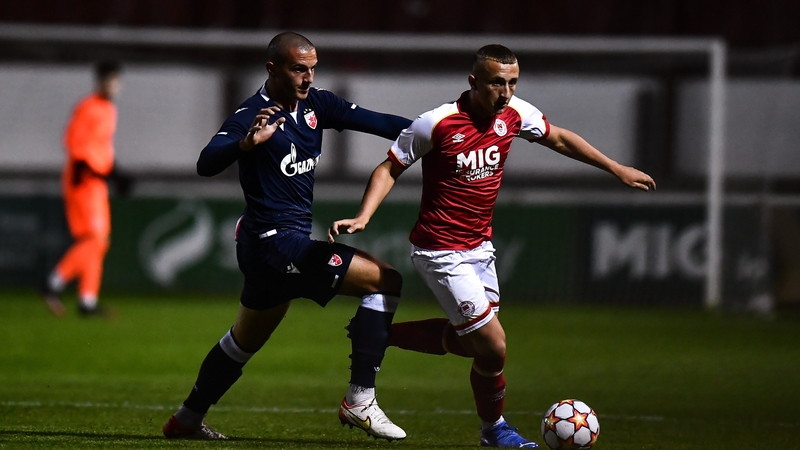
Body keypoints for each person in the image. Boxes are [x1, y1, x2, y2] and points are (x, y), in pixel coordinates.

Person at [328, 44, 656, 448]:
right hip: (440, 250)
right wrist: (364, 217)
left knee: (474, 348)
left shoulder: (515, 114)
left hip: (480, 249)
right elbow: (390, 166)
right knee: (495, 346)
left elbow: (560, 139)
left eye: (513, 83)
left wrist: (616, 168)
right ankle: (494, 431)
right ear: (474, 81)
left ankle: (379, 333)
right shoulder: (437, 123)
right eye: (497, 83)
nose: (505, 92)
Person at [162, 32, 412, 441]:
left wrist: (441, 133)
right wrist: (245, 143)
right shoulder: (252, 114)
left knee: (243, 341)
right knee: (386, 280)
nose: (308, 77)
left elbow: (382, 123)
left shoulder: (318, 104)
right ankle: (360, 400)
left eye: (312, 68)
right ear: (272, 68)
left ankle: (186, 420)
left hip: (271, 248)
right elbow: (206, 163)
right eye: (299, 69)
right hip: (274, 244)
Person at [41, 61, 132, 318]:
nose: (112, 85)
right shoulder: (88, 108)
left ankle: (87, 301)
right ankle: (52, 284)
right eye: (108, 80)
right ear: (100, 81)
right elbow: (76, 147)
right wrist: (101, 175)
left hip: (97, 181)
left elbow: (102, 149)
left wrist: (115, 174)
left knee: (99, 241)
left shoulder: (109, 110)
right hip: (83, 181)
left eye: (115, 80)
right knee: (94, 239)